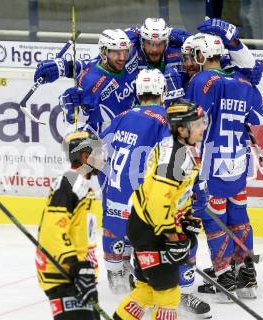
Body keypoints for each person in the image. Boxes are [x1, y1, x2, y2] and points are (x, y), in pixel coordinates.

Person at [185, 32, 263, 300]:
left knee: (214, 219)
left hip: (212, 164)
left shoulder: (201, 79)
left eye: (193, 55)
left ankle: (224, 277)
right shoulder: (242, 82)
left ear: (202, 56)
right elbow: (259, 117)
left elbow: (192, 119)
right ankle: (247, 275)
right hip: (239, 163)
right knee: (239, 217)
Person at [113, 100, 207, 320]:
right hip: (151, 231)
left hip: (146, 226)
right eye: (197, 123)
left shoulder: (176, 147)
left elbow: (175, 196)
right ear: (182, 129)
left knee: (146, 291)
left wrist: (185, 218)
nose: (203, 126)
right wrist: (172, 236)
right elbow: (157, 202)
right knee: (168, 295)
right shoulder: (177, 156)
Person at [99, 68, 169, 294]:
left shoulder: (120, 117)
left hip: (114, 193)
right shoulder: (163, 120)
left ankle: (115, 271)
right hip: (139, 196)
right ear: (162, 91)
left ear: (138, 93)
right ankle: (144, 282)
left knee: (115, 230)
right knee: (144, 237)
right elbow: (168, 159)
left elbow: (99, 153)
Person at [36, 130, 104, 320]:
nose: (102, 158)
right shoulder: (70, 182)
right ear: (85, 156)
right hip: (64, 274)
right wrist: (76, 267)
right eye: (97, 153)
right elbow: (52, 231)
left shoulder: (81, 184)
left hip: (78, 273)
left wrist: (86, 270)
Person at [35, 29, 137, 133]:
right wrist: (70, 107)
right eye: (117, 52)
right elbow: (78, 124)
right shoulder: (91, 82)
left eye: (125, 51)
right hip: (110, 142)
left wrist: (64, 66)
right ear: (104, 52)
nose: (122, 58)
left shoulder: (130, 60)